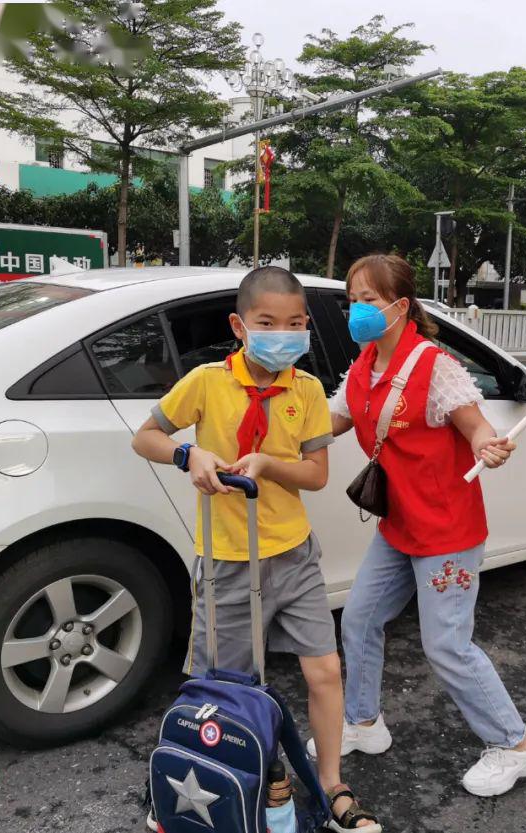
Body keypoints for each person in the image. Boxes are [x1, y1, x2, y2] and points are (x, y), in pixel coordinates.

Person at [132, 266, 379, 832]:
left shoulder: (308, 390)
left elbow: (316, 475)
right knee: (219, 687)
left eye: (295, 324)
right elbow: (145, 436)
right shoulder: (206, 382)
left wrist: (268, 464)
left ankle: (332, 785)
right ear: (239, 326)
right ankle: (195, 779)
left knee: (325, 670)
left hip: (294, 556)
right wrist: (186, 456)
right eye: (268, 323)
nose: (283, 334)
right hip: (225, 561)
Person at [309, 253, 526, 797]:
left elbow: (476, 425)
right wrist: (273, 435)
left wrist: (489, 446)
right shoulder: (366, 363)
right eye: (353, 300)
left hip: (446, 532)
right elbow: (334, 421)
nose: (357, 310)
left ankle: (516, 746)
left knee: (446, 645)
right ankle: (364, 723)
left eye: (369, 300)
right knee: (360, 620)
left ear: (400, 305)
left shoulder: (433, 365)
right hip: (399, 528)